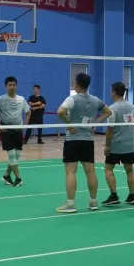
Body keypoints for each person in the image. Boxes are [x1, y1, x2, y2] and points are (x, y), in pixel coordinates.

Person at [56, 73, 112, 213]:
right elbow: (108, 111)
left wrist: (69, 124)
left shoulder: (72, 99)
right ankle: (93, 202)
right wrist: (95, 123)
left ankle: (71, 204)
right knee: (91, 171)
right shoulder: (95, 100)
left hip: (72, 140)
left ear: (76, 83)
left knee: (70, 172)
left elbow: (60, 111)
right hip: (88, 141)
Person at [0, 77, 31, 188]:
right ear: (6, 86)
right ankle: (18, 178)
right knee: (12, 155)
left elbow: (28, 112)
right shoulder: (0, 99)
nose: (12, 87)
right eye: (9, 85)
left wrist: (25, 125)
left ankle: (6, 175)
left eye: (14, 85)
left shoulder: (21, 99)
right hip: (6, 131)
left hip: (18, 131)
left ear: (16, 86)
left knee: (16, 155)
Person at [102, 82, 134, 207]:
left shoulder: (112, 108)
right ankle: (131, 196)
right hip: (129, 144)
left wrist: (107, 146)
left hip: (116, 145)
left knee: (108, 169)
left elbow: (110, 129)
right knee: (130, 170)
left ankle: (114, 195)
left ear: (113, 93)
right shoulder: (132, 107)